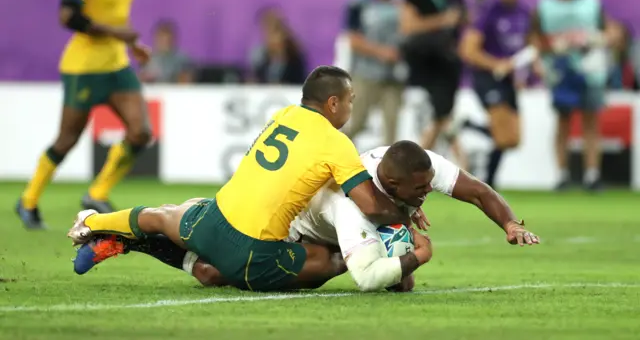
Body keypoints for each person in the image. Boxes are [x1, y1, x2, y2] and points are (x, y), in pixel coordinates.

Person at [67, 66, 414, 292]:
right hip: (254, 253)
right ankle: (187, 263)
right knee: (331, 258)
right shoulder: (336, 142)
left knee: (166, 214)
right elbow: (370, 205)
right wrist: (406, 214)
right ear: (333, 103)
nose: (353, 109)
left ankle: (93, 223)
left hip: (212, 220)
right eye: (351, 102)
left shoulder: (284, 115)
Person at [73, 141, 539, 293]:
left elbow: (477, 190)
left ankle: (127, 241)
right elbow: (368, 277)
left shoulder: (416, 167)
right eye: (418, 193)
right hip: (298, 232)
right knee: (208, 256)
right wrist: (417, 256)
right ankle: (112, 228)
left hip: (345, 230)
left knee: (212, 275)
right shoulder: (351, 200)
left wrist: (511, 223)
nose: (426, 195)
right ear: (390, 186)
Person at [17, 0, 152, 229]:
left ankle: (96, 193)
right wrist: (118, 34)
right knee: (67, 139)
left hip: (117, 64)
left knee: (141, 132)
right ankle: (28, 201)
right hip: (84, 68)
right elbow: (68, 16)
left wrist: (132, 45)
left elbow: (118, 17)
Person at [530, 0, 622, 191]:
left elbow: (609, 30)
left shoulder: (591, 2)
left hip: (590, 70)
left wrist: (602, 38)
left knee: (591, 120)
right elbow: (535, 37)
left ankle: (592, 175)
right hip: (559, 72)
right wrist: (549, 48)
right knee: (563, 122)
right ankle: (562, 174)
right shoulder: (545, 5)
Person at [459, 0, 532, 189]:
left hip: (508, 79)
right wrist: (496, 64)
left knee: (514, 139)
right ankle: (489, 182)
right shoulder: (487, 11)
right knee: (502, 136)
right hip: (487, 77)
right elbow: (467, 50)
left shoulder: (523, 12)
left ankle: (469, 126)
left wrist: (523, 71)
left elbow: (525, 47)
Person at [399, 0, 467, 153]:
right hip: (422, 64)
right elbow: (408, 26)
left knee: (443, 118)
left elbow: (463, 23)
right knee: (436, 119)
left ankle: (429, 160)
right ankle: (420, 159)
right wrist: (442, 20)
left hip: (446, 64)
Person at [344, 0, 406, 146]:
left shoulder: (400, 0)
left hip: (394, 74)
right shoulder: (359, 2)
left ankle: (390, 171)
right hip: (366, 73)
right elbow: (353, 40)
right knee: (357, 122)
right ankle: (329, 162)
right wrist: (381, 52)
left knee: (392, 125)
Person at [249, 8, 307, 85]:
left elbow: (299, 84)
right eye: (267, 33)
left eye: (274, 33)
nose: (269, 38)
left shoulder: (295, 59)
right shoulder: (261, 58)